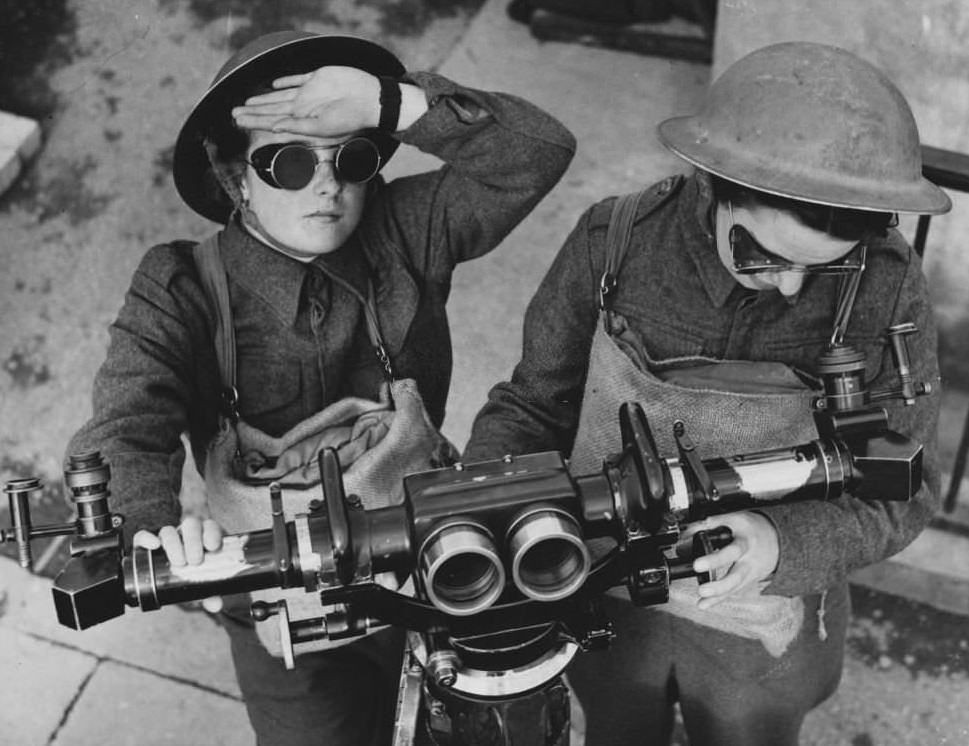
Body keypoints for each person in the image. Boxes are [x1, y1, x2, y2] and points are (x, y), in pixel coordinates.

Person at [66, 30, 575, 746]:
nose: (327, 185)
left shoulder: (404, 229)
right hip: (276, 599)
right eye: (288, 162)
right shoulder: (179, 285)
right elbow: (125, 424)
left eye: (351, 158)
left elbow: (538, 153)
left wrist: (387, 101)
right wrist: (152, 526)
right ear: (233, 175)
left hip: (432, 566)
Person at [463, 41, 949, 745]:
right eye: (761, 254)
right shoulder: (615, 241)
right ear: (713, 184)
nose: (786, 287)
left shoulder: (886, 287)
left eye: (821, 271)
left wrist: (781, 544)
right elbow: (535, 404)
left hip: (761, 634)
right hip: (603, 599)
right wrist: (481, 510)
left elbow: (905, 491)